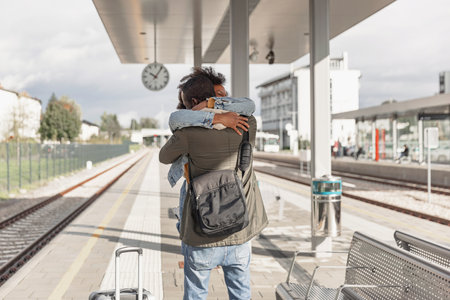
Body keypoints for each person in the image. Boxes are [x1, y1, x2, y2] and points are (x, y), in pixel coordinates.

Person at [159, 75, 268, 300]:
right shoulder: (248, 125)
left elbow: (164, 156)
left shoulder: (186, 133)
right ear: (214, 98)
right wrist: (214, 106)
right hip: (239, 232)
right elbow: (247, 104)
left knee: (196, 295)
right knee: (241, 296)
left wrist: (199, 113)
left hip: (201, 236)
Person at [167, 67, 255, 232]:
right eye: (219, 95)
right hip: (200, 192)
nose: (226, 99)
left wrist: (213, 104)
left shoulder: (236, 118)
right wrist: (217, 117)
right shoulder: (190, 123)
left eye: (225, 94)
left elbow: (249, 105)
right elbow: (176, 118)